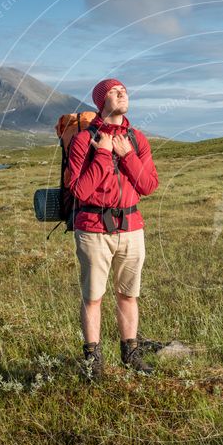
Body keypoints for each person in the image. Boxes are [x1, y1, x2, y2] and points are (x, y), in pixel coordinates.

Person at [66, 78, 159, 382]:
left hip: (132, 228)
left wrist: (127, 155)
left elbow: (148, 185)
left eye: (125, 89)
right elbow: (79, 191)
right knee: (93, 297)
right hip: (93, 230)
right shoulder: (84, 141)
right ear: (101, 101)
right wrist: (104, 153)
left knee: (128, 295)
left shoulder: (137, 139)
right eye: (114, 91)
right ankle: (93, 360)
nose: (123, 93)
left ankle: (130, 354)